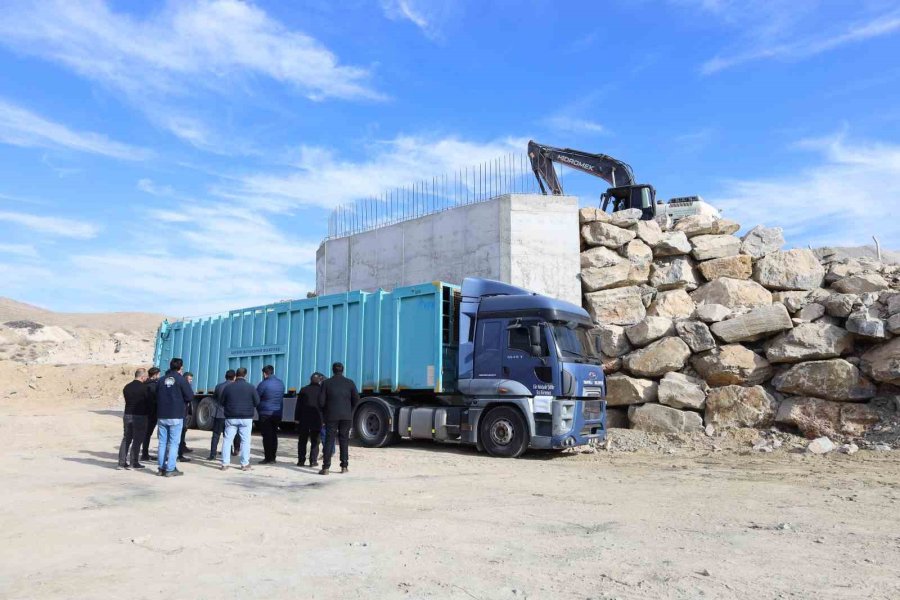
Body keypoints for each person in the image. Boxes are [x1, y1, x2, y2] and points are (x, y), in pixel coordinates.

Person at [318, 362, 359, 475]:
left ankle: (326, 467)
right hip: (346, 416)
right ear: (343, 370)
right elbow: (356, 399)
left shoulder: (326, 383)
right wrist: (348, 410)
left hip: (331, 415)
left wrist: (326, 410)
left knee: (329, 440)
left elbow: (321, 402)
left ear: (332, 370)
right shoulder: (350, 383)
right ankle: (344, 466)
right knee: (344, 440)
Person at [156, 358, 193, 477]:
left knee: (162, 443)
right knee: (173, 443)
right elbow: (189, 396)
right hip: (176, 415)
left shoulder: (161, 380)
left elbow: (155, 395)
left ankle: (161, 468)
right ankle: (170, 468)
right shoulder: (181, 380)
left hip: (162, 414)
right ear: (180, 367)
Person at [220, 367, 259, 471]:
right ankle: (244, 464)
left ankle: (225, 464)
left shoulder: (228, 387)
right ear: (245, 375)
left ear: (236, 375)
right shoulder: (251, 387)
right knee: (245, 441)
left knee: (227, 440)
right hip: (246, 418)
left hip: (231, 417)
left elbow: (222, 402)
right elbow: (257, 402)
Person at [118, 368, 150, 469]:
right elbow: (148, 402)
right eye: (146, 377)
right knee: (137, 439)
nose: (146, 379)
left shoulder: (127, 387)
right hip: (140, 415)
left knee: (126, 439)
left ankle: (121, 463)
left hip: (127, 414)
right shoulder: (145, 388)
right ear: (142, 376)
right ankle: (133, 462)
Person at [256, 365, 285, 464]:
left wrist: (258, 408)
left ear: (264, 373)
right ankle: (273, 457)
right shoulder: (281, 383)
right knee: (274, 435)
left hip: (265, 413)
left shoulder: (263, 384)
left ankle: (268, 458)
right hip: (277, 413)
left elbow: (256, 398)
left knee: (267, 436)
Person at [296, 372, 325, 467]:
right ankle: (313, 461)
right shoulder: (321, 391)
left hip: (304, 419)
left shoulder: (304, 390)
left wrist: (296, 418)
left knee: (302, 441)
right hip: (317, 419)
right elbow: (324, 406)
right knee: (315, 441)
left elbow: (298, 406)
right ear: (319, 381)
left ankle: (301, 461)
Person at [208, 370, 235, 460]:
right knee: (228, 435)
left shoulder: (219, 386)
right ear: (234, 377)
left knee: (216, 435)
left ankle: (212, 454)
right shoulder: (233, 386)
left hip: (218, 413)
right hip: (229, 414)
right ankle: (229, 451)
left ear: (225, 376)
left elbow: (214, 398)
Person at [140, 367, 161, 461]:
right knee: (147, 434)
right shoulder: (153, 386)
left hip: (143, 412)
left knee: (145, 434)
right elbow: (155, 400)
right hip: (151, 413)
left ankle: (144, 453)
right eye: (159, 374)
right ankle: (144, 454)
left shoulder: (144, 384)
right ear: (155, 375)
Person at [177, 371, 195, 462]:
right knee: (181, 431)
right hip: (181, 413)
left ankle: (182, 446)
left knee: (184, 430)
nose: (190, 381)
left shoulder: (187, 386)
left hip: (185, 412)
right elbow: (189, 397)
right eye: (189, 379)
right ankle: (179, 453)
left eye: (191, 379)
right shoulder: (182, 387)